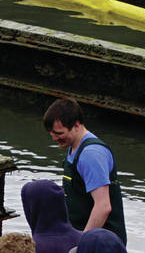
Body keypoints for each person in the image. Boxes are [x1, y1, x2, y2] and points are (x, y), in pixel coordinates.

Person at [43, 98, 125, 241]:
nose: (54, 138)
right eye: (51, 133)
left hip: (101, 243)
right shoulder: (73, 146)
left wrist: (82, 243)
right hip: (80, 232)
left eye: (59, 133)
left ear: (76, 125)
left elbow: (103, 206)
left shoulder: (91, 154)